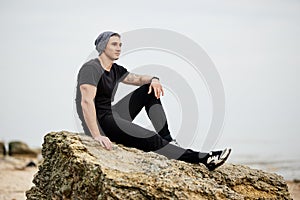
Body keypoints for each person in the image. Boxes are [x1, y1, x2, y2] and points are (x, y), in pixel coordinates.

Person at [75, 31, 231, 171]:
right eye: (114, 44)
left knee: (147, 89)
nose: (119, 48)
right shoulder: (91, 69)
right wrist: (97, 136)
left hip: (112, 113)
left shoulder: (115, 69)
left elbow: (137, 79)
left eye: (120, 45)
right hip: (100, 122)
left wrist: (154, 79)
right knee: (148, 138)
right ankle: (204, 158)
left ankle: (168, 139)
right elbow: (86, 102)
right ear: (103, 47)